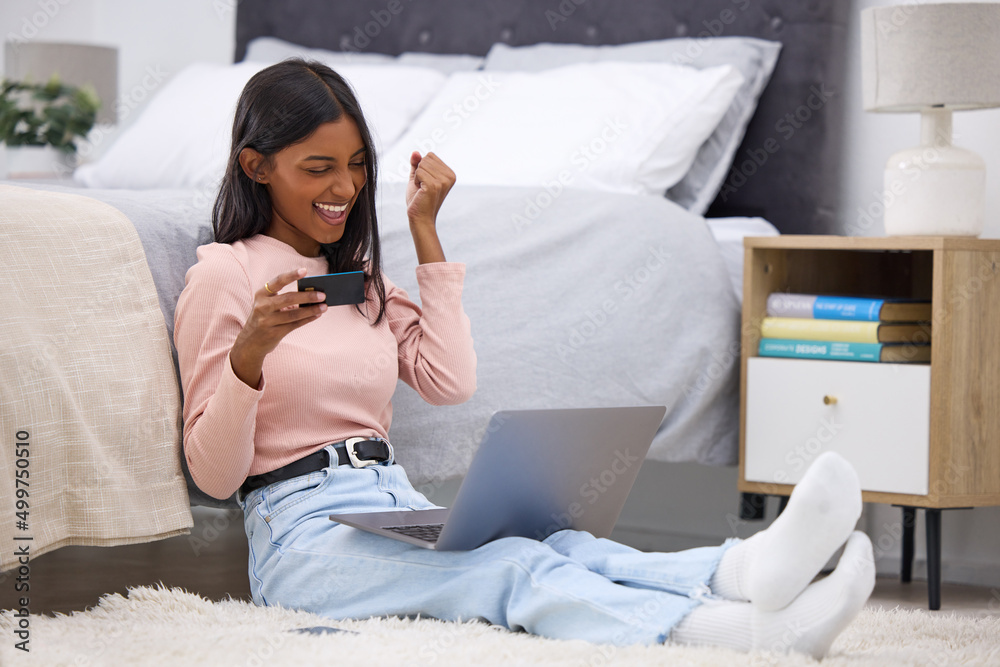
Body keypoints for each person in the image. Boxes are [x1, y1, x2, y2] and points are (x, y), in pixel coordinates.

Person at [173, 59, 875, 658]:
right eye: (318, 168)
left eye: (357, 166)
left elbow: (451, 381)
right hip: (298, 538)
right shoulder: (223, 277)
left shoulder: (356, 278)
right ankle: (742, 633)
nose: (344, 189)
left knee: (560, 543)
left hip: (390, 503)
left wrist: (425, 232)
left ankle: (746, 568)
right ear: (256, 166)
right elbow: (214, 471)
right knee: (509, 566)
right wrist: (250, 355)